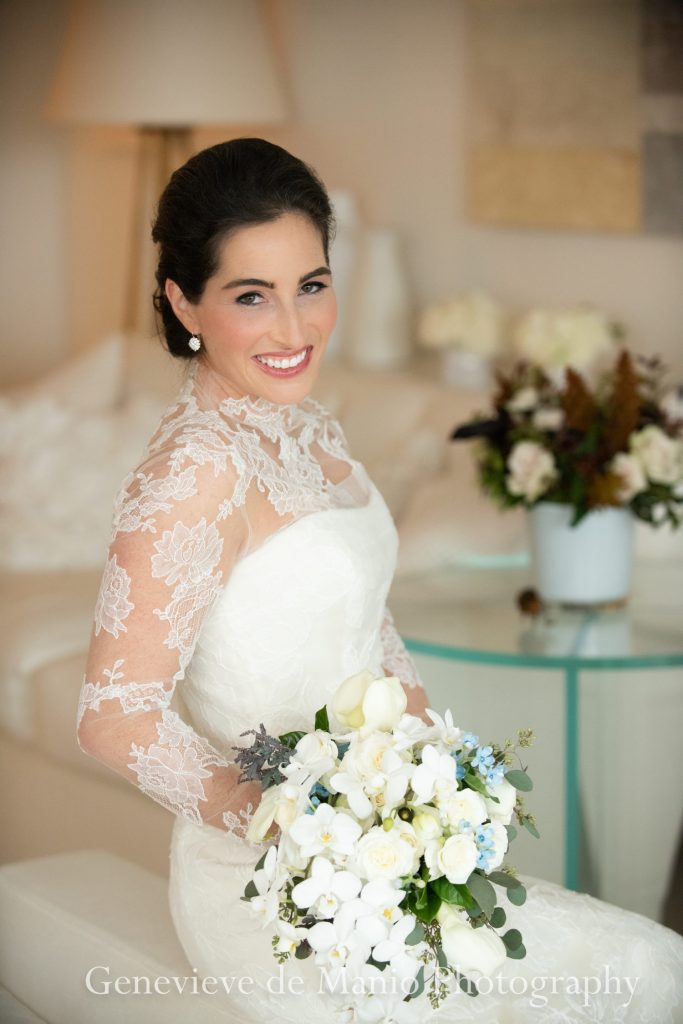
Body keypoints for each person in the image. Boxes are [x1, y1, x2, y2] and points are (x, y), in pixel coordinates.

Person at [77, 138, 682, 1023]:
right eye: (253, 297)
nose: (294, 329)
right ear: (183, 301)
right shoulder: (191, 474)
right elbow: (112, 713)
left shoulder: (308, 425)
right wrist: (282, 817)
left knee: (643, 964)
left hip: (381, 846)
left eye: (310, 285)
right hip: (275, 886)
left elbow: (362, 618)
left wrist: (430, 772)